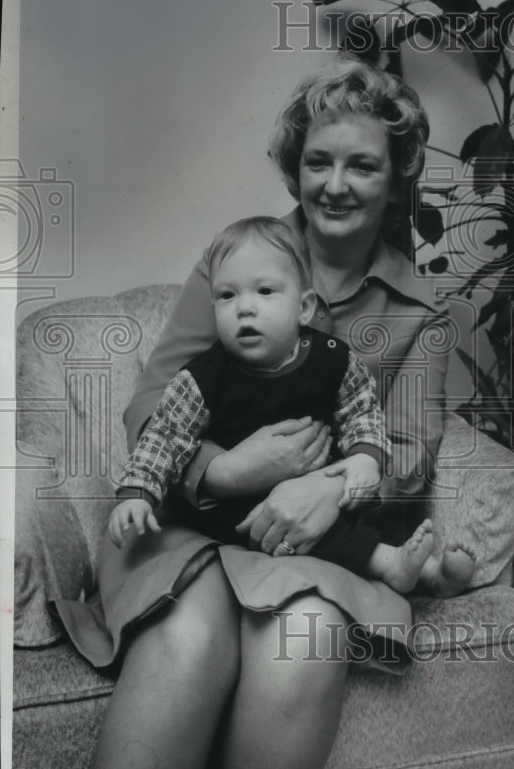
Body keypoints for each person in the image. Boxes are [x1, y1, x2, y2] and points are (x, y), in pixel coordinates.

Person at [55, 58, 475, 769]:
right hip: (192, 523)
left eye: (362, 165)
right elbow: (156, 398)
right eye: (318, 161)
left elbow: (409, 452)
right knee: (188, 637)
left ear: (397, 175)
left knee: (305, 642)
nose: (336, 184)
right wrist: (229, 471)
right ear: (294, 168)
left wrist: (329, 483)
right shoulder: (237, 257)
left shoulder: (422, 310)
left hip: (317, 539)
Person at [109, 215, 439, 593]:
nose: (244, 308)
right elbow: (165, 436)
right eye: (227, 296)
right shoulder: (202, 377)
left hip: (314, 497)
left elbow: (361, 411)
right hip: (234, 515)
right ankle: (387, 563)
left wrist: (365, 458)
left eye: (265, 292)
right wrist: (136, 495)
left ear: (303, 307)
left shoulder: (332, 359)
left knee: (342, 521)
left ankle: (409, 569)